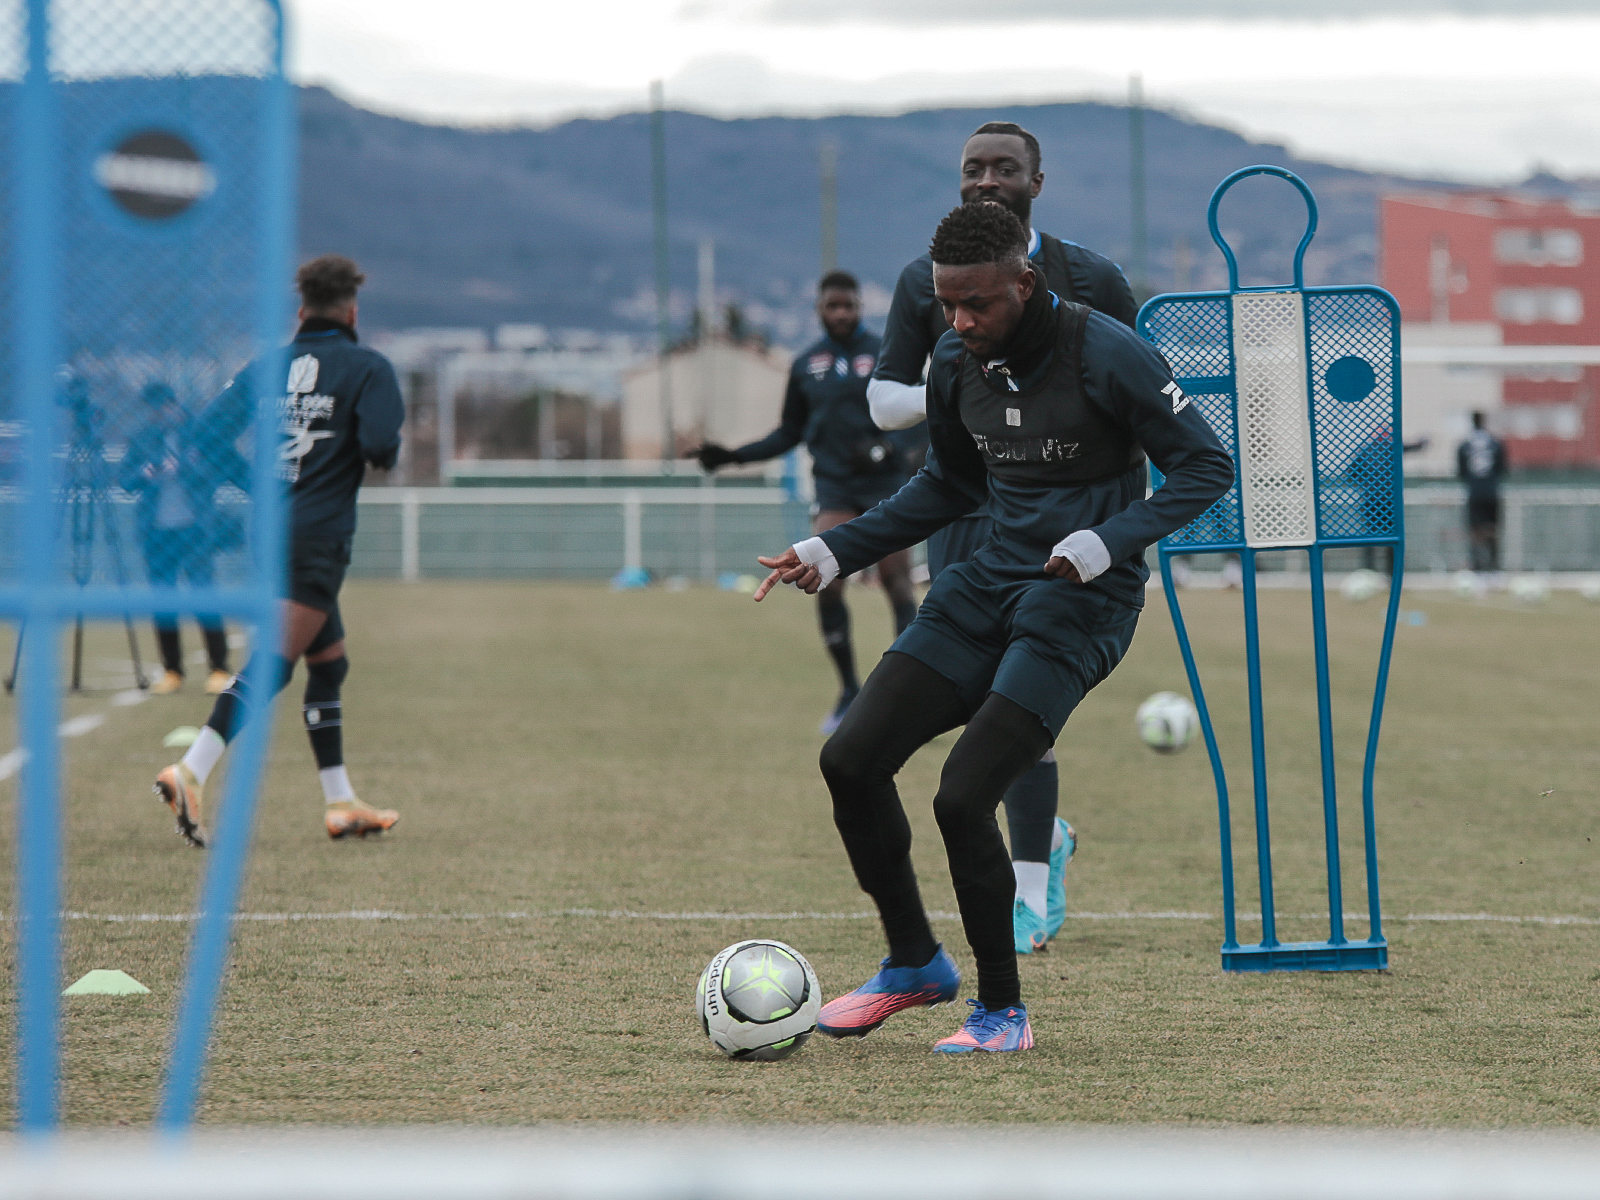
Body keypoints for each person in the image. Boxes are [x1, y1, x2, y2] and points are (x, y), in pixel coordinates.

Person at [752, 203, 1233, 1053]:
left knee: (963, 796)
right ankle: (913, 963)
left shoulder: (1107, 351)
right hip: (984, 583)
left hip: (1082, 602)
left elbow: (1207, 462)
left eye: (978, 304)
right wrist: (832, 551)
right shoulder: (953, 360)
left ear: (1027, 283)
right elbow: (946, 486)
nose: (962, 321)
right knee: (850, 760)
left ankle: (1002, 1013)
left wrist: (1107, 540)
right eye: (947, 305)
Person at [868, 120, 1138, 958]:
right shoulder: (928, 275)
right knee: (966, 706)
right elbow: (883, 402)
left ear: (1036, 183)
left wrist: (1116, 528)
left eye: (1004, 168)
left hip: (1064, 523)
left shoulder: (1093, 278)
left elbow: (1139, 400)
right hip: (964, 511)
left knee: (1024, 712)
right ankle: (1042, 839)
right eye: (972, 168)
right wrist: (966, 386)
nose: (986, 180)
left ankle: (1028, 889)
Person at [153, 255, 404, 847]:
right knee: (276, 664)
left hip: (270, 532)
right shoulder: (368, 367)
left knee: (329, 662)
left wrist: (258, 485)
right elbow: (379, 447)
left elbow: (204, 435)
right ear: (352, 310)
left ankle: (341, 801)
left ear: (300, 311)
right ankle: (190, 770)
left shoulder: (268, 365)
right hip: (318, 538)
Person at [694, 270, 918, 734]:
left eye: (849, 306)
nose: (841, 314)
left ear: (860, 307)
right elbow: (789, 433)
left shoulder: (885, 354)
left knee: (898, 583)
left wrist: (894, 449)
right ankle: (849, 692)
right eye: (832, 306)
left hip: (887, 485)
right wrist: (733, 456)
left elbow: (922, 411)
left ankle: (904, 696)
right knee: (825, 579)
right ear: (819, 309)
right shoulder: (805, 365)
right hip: (835, 487)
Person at [121, 382, 231, 695]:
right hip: (157, 533)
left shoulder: (198, 433)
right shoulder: (142, 438)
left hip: (194, 531)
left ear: (174, 404)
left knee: (204, 596)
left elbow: (216, 472)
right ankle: (172, 671)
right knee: (163, 602)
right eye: (153, 409)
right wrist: (146, 474)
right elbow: (124, 480)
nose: (158, 414)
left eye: (163, 407)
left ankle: (220, 668)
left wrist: (183, 468)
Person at [1457, 411, 1506, 574]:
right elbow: (1502, 468)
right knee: (1492, 528)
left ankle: (1477, 566)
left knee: (1476, 530)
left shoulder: (1466, 444)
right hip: (1492, 491)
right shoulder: (1494, 442)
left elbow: (1461, 471)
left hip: (1475, 492)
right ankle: (1493, 566)